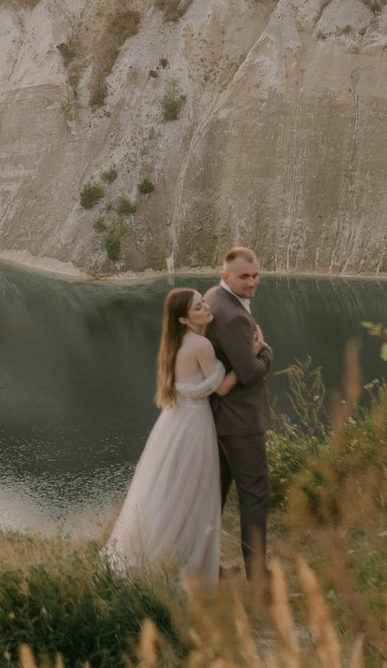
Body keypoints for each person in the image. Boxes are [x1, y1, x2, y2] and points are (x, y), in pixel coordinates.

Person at [103, 286, 239, 584]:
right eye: (198, 307)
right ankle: (185, 568)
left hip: (171, 424)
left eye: (204, 302)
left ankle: (158, 557)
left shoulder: (173, 343)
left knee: (167, 490)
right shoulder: (201, 346)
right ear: (184, 319)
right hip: (193, 426)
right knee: (192, 492)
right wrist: (249, 356)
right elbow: (222, 387)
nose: (205, 307)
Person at [204, 246, 272, 580]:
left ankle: (207, 568)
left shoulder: (215, 298)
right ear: (226, 275)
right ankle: (260, 584)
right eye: (244, 277)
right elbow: (248, 372)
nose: (252, 282)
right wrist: (265, 352)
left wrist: (254, 349)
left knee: (214, 496)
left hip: (219, 420)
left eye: (256, 275)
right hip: (240, 423)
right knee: (255, 497)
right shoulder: (231, 316)